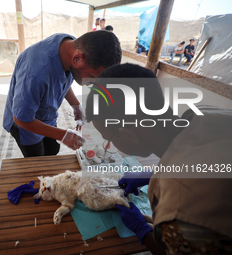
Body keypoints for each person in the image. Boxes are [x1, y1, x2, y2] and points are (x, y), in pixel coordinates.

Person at [86, 63, 232, 255]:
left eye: (109, 140)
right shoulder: (207, 114)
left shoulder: (179, 207)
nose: (108, 147)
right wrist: (156, 172)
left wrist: (143, 231)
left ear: (130, 135)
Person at [3, 31, 122, 158]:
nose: (92, 83)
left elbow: (60, 80)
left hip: (45, 114)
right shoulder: (35, 73)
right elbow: (21, 118)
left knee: (52, 149)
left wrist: (76, 105)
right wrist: (63, 135)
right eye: (92, 77)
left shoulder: (71, 47)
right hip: (25, 123)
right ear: (77, 59)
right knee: (37, 159)